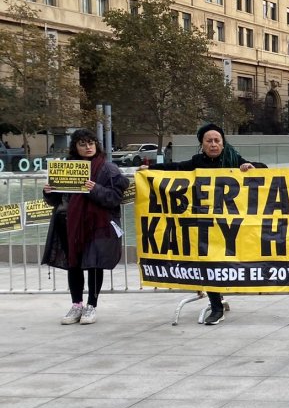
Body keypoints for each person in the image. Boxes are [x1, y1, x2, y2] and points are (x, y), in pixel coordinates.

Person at [142, 123, 264, 325]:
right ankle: (216, 307)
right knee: (208, 262)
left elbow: (262, 169)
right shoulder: (197, 162)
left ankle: (219, 297)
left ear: (223, 143)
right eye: (209, 141)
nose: (213, 144)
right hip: (205, 225)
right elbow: (176, 168)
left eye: (217, 140)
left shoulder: (234, 160)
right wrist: (150, 169)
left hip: (230, 226)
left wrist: (250, 167)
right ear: (202, 144)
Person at [41, 129, 128, 325]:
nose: (88, 147)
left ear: (96, 144)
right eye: (82, 144)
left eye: (91, 143)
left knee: (94, 264)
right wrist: (48, 192)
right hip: (69, 224)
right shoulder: (66, 168)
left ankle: (91, 305)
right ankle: (76, 305)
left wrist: (94, 189)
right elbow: (57, 200)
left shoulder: (108, 169)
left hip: (97, 225)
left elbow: (115, 198)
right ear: (75, 147)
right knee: (74, 264)